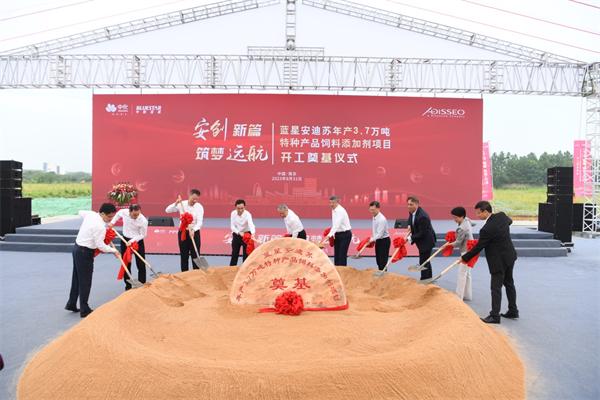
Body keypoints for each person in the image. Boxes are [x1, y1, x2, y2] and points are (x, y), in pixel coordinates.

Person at [461, 201, 519, 324]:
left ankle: (494, 316)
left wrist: (465, 257)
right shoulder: (502, 216)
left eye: (478, 213)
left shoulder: (486, 229)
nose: (477, 216)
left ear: (485, 211)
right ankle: (513, 310)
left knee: (495, 288)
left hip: (498, 261)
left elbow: (479, 247)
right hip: (509, 256)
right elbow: (510, 222)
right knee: (509, 283)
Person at [66, 203, 119, 318]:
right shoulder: (99, 227)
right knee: (85, 281)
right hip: (85, 253)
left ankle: (71, 303)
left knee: (76, 278)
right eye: (109, 217)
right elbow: (100, 246)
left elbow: (80, 211)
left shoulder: (90, 214)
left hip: (76, 249)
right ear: (102, 213)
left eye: (112, 217)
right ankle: (84, 309)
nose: (110, 219)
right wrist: (114, 251)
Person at [108, 204, 148, 290]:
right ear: (129, 212)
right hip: (125, 240)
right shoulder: (124, 212)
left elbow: (143, 235)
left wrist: (132, 241)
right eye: (134, 215)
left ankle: (142, 284)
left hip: (137, 241)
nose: (136, 216)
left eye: (138, 214)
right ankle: (128, 286)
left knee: (141, 263)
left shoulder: (143, 220)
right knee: (126, 263)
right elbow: (118, 214)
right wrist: (112, 223)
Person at [165, 189, 204, 272]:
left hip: (194, 232)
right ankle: (184, 275)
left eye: (197, 199)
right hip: (183, 232)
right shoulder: (182, 204)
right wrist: (176, 203)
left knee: (195, 255)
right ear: (189, 196)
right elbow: (167, 210)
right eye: (193, 198)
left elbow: (200, 222)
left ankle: (197, 274)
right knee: (184, 255)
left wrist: (194, 229)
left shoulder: (199, 207)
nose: (195, 201)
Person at [406, 196, 437, 280]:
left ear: (417, 204)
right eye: (408, 204)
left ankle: (425, 279)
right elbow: (411, 219)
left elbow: (422, 233)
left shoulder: (423, 216)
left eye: (411, 204)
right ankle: (428, 278)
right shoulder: (412, 212)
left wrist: (410, 238)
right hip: (421, 241)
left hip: (427, 241)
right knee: (425, 260)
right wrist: (409, 226)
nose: (409, 206)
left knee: (424, 261)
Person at [448, 206, 474, 301]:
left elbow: (458, 243)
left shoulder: (461, 228)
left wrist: (447, 245)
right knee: (467, 274)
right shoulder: (467, 220)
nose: (454, 219)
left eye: (456, 217)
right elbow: (473, 223)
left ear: (462, 216)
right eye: (453, 217)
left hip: (466, 251)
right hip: (471, 250)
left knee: (461, 273)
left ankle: (459, 297)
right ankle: (467, 295)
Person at [326, 196, 352, 266]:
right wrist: (331, 234)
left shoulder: (340, 211)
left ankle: (343, 274)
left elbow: (337, 224)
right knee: (337, 255)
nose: (331, 204)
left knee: (342, 256)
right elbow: (334, 224)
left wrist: (329, 235)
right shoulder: (333, 209)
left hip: (345, 235)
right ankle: (337, 272)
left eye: (333, 203)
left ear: (337, 202)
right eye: (330, 203)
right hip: (337, 234)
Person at [230, 199, 255, 266]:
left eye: (242, 208)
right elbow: (232, 226)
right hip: (237, 234)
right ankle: (231, 269)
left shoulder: (248, 214)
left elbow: (251, 224)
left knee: (246, 255)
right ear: (235, 207)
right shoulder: (233, 213)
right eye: (238, 208)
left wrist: (253, 233)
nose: (240, 210)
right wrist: (238, 232)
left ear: (244, 207)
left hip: (246, 234)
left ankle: (244, 269)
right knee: (234, 254)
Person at [368, 201, 390, 271]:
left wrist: (372, 239)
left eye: (373, 210)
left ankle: (384, 276)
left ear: (378, 209)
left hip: (384, 241)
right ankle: (381, 274)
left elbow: (380, 234)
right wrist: (373, 238)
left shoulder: (382, 219)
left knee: (383, 261)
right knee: (378, 260)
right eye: (370, 210)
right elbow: (375, 231)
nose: (372, 211)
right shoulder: (374, 216)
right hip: (378, 240)